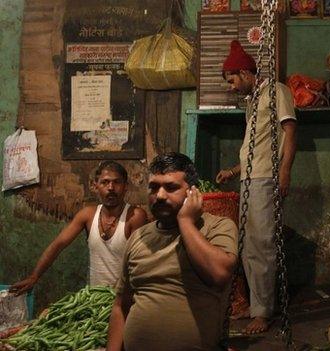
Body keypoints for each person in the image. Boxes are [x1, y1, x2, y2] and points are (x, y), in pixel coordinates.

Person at [107, 152, 238, 351]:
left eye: (171, 187)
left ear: (193, 192)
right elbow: (120, 306)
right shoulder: (138, 237)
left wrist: (185, 221)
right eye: (153, 187)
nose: (159, 195)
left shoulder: (217, 227)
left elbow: (219, 274)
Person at [215, 40, 297, 334]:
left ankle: (264, 312)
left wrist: (284, 173)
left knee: (263, 244)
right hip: (250, 179)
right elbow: (255, 149)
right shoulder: (252, 101)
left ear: (246, 73)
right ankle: (255, 303)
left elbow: (290, 132)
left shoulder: (277, 91)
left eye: (233, 79)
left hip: (267, 179)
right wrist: (233, 171)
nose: (231, 86)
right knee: (248, 247)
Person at [10, 161, 147, 294]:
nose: (110, 187)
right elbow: (58, 245)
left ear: (125, 186)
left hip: (125, 296)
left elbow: (136, 263)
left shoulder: (135, 216)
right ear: (95, 186)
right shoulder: (87, 215)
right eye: (105, 182)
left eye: (116, 182)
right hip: (94, 297)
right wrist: (34, 277)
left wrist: (116, 295)